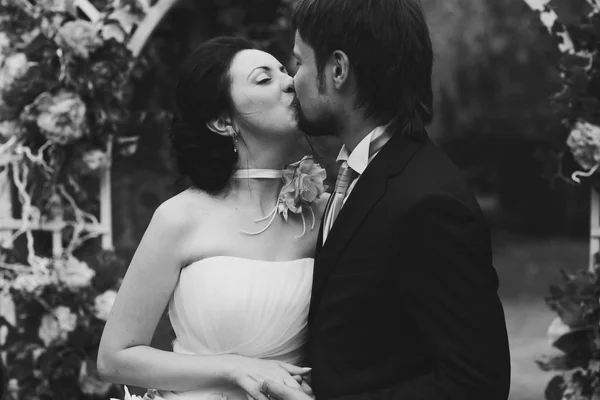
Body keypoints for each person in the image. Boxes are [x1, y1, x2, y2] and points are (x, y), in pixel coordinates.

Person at [282, 0, 512, 399]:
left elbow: (476, 382)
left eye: (299, 63)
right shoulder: (357, 174)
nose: (293, 79)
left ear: (338, 70)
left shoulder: (428, 201)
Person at [97, 36, 327, 400]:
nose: (289, 82)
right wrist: (237, 368)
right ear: (223, 122)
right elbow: (114, 358)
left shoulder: (325, 213)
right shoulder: (180, 217)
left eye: (286, 70)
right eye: (264, 78)